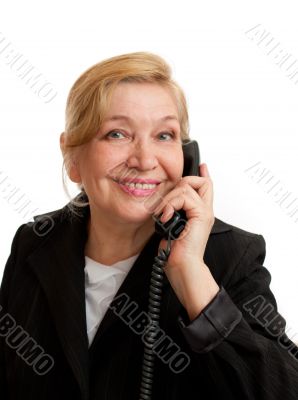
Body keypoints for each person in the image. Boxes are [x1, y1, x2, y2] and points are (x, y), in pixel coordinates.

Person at [1, 51, 298, 400]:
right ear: (72, 157)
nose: (144, 160)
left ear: (186, 155)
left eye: (164, 135)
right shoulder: (35, 243)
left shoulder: (229, 255)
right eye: (117, 134)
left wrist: (191, 275)